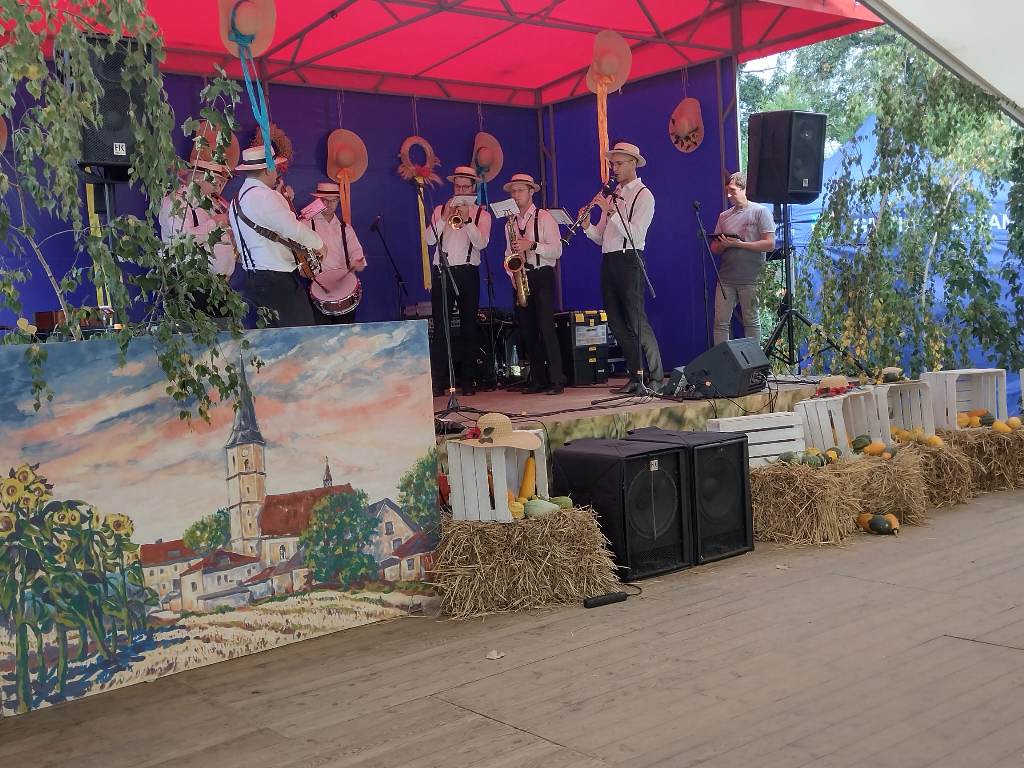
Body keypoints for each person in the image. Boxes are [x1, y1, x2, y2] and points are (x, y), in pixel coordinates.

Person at [580, 141, 663, 394]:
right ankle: (636, 376)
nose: (614, 168)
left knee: (636, 320)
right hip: (610, 260)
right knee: (615, 322)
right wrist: (587, 226)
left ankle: (657, 377)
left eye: (618, 164)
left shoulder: (644, 195)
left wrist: (611, 211)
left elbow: (636, 235)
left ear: (633, 163)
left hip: (630, 260)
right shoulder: (613, 195)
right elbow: (602, 237)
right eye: (612, 164)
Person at [228, 146, 324, 328]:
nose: (276, 173)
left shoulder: (236, 200)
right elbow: (293, 229)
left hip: (253, 281)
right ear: (267, 169)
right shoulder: (265, 196)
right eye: (275, 168)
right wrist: (319, 244)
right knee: (301, 337)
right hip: (278, 284)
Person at [426, 165, 492, 396]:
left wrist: (468, 221)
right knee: (441, 327)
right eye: (458, 187)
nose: (461, 191)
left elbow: (482, 243)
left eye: (465, 187)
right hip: (442, 272)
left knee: (468, 327)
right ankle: (438, 382)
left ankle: (468, 381)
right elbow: (428, 239)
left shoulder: (482, 215)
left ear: (473, 189)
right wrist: (444, 219)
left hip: (467, 272)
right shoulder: (440, 209)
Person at [501, 173, 564, 395]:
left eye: (520, 190)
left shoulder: (544, 217)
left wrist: (532, 245)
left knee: (546, 328)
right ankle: (538, 379)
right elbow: (508, 255)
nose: (515, 195)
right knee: (527, 330)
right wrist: (512, 275)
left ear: (531, 192)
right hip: (521, 276)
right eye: (513, 191)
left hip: (542, 274)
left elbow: (557, 251)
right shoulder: (510, 223)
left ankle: (557, 379)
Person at [158, 158, 236, 318]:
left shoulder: (211, 203)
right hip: (191, 286)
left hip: (218, 287)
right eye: (215, 178)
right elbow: (183, 241)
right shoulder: (176, 202)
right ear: (198, 176)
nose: (219, 183)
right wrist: (214, 223)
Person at [710, 171, 776, 344]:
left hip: (751, 277)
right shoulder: (724, 216)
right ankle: (723, 358)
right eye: (727, 190)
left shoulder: (760, 212)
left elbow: (770, 244)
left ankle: (754, 360)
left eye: (732, 190)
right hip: (726, 278)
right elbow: (714, 247)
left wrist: (739, 244)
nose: (729, 195)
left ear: (744, 189)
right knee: (720, 323)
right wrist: (724, 245)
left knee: (751, 321)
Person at [303, 182, 367, 325]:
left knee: (345, 332)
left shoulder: (346, 228)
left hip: (344, 287)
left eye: (333, 201)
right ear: (317, 200)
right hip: (318, 286)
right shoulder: (306, 225)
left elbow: (357, 255)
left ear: (338, 201)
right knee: (321, 333)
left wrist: (357, 263)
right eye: (325, 200)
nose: (329, 205)